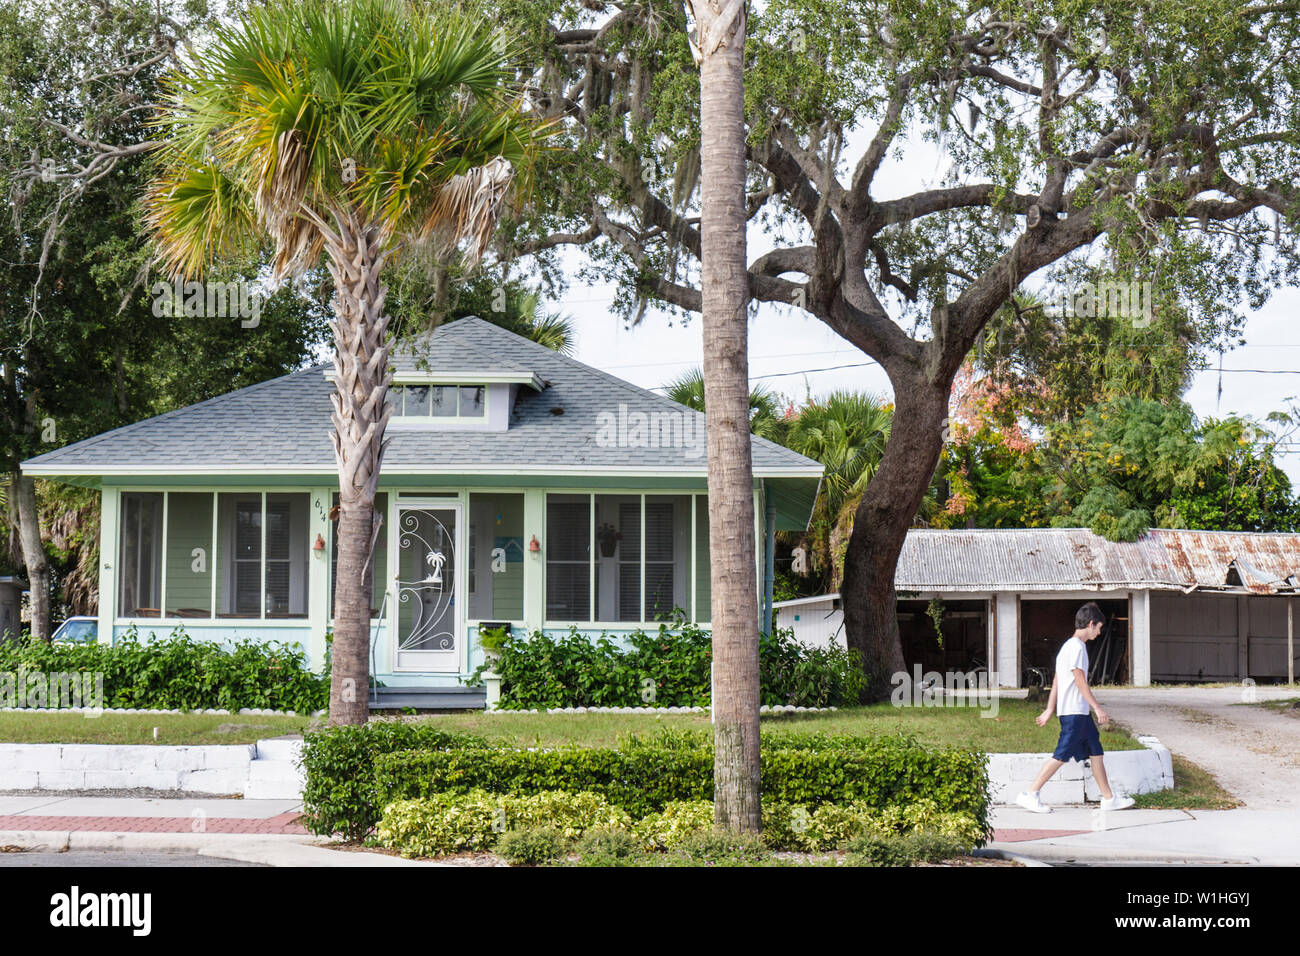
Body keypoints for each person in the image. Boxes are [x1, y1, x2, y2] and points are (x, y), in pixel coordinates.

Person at [1015, 601, 1135, 814]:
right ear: (1091, 624)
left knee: (1096, 751)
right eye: (1099, 628)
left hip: (1076, 712)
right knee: (1061, 754)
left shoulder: (1067, 647)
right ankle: (1030, 794)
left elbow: (1058, 680)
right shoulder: (1078, 648)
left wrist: (1050, 709)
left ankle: (1108, 799)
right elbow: (1080, 681)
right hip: (1074, 713)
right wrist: (1097, 708)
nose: (1099, 632)